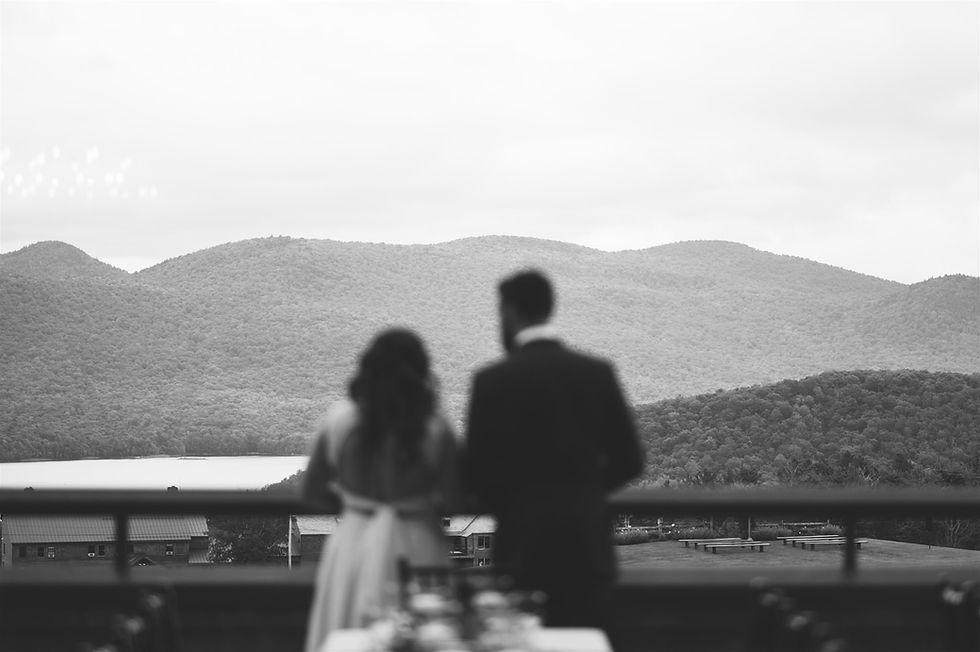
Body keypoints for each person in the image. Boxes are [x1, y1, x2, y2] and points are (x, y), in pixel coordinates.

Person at [464, 269, 643, 633]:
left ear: (510, 312)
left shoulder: (492, 381)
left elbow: (475, 473)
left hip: (520, 548)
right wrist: (585, 493)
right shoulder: (596, 373)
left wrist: (514, 499)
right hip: (586, 547)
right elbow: (630, 460)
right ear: (549, 307)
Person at [302, 328, 458, 652]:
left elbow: (312, 492)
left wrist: (353, 505)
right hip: (418, 543)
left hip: (355, 539)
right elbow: (455, 497)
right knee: (425, 636)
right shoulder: (435, 426)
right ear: (421, 370)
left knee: (346, 632)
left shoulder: (339, 420)